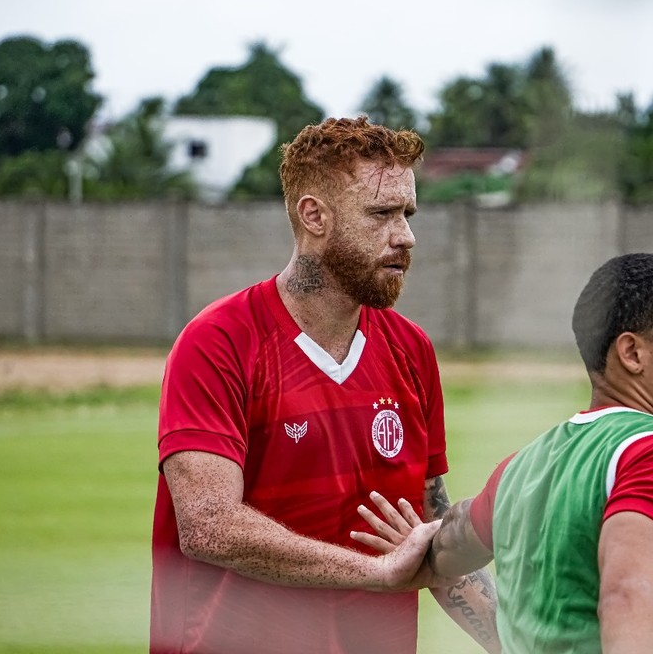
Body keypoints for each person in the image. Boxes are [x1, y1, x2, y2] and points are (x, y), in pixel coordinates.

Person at [150, 116, 499, 654]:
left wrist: (521, 643)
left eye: (406, 214)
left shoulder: (412, 351)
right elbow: (209, 526)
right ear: (315, 216)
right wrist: (376, 573)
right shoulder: (219, 342)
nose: (405, 236)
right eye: (381, 214)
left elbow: (428, 531)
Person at [414, 252, 653, 653]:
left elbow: (449, 546)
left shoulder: (519, 470)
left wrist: (418, 545)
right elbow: (628, 597)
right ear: (632, 353)